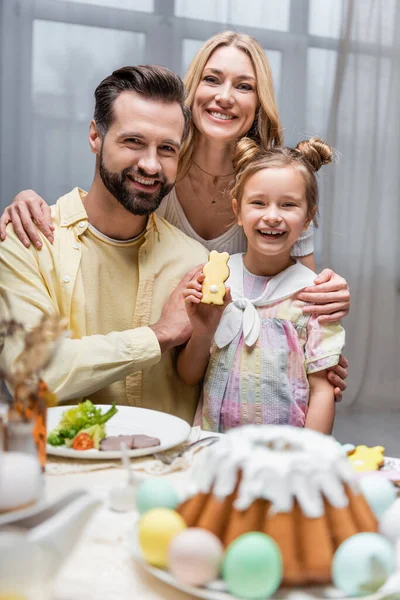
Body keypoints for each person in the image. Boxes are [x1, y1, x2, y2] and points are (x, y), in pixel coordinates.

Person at [0, 31, 349, 397]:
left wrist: (318, 351)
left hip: (220, 374)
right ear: (191, 90)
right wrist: (27, 201)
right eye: (212, 79)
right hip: (174, 354)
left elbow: (298, 303)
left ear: (259, 102)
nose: (225, 96)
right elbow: (106, 202)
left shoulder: (272, 184)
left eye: (244, 86)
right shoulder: (153, 176)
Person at [0, 65, 210, 424]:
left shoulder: (195, 261)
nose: (150, 164)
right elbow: (31, 376)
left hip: (168, 474)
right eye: (133, 141)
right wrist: (159, 335)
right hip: (61, 474)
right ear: (95, 136)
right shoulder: (27, 243)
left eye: (167, 149)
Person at [177, 137, 345, 434]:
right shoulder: (217, 279)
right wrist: (202, 332)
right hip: (215, 447)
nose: (272, 216)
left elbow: (322, 391)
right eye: (258, 202)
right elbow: (189, 376)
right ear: (237, 211)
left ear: (307, 219)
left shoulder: (314, 296)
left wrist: (309, 457)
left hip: (283, 455)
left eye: (288, 204)